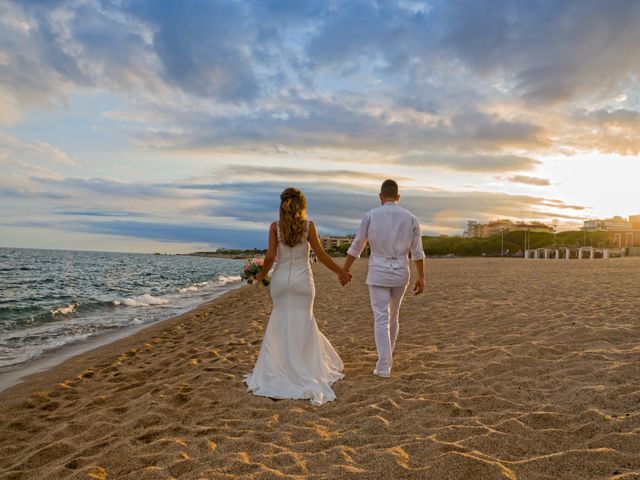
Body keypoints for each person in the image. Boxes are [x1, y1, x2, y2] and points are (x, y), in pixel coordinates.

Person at [244, 187, 351, 406]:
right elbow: (320, 254)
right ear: (302, 205)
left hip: (281, 282)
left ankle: (279, 368)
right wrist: (341, 272)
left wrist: (259, 276)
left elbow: (271, 256)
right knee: (304, 320)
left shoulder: (275, 227)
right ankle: (304, 367)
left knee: (280, 319)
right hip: (303, 282)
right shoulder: (309, 226)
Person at [343, 179, 425, 377]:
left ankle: (384, 366)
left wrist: (345, 270)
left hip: (378, 271)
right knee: (394, 314)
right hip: (400, 272)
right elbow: (418, 251)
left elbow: (358, 245)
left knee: (381, 317)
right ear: (397, 197)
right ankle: (387, 357)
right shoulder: (411, 218)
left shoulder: (371, 215)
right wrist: (421, 276)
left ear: (381, 197)